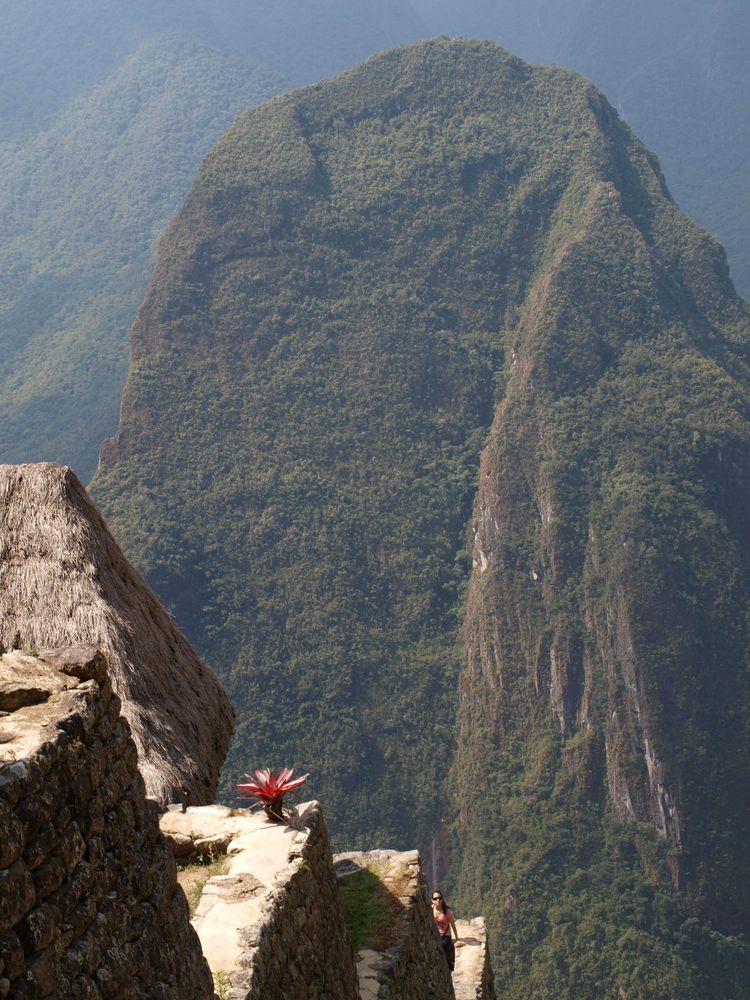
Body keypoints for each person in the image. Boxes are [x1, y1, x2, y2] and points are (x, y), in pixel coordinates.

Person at [431, 890, 462, 971]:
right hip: (436, 934)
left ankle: (447, 966)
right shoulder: (431, 909)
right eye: (435, 898)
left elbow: (453, 925)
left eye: (440, 898)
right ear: (432, 900)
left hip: (446, 936)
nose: (438, 900)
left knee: (442, 947)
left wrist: (456, 939)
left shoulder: (447, 912)